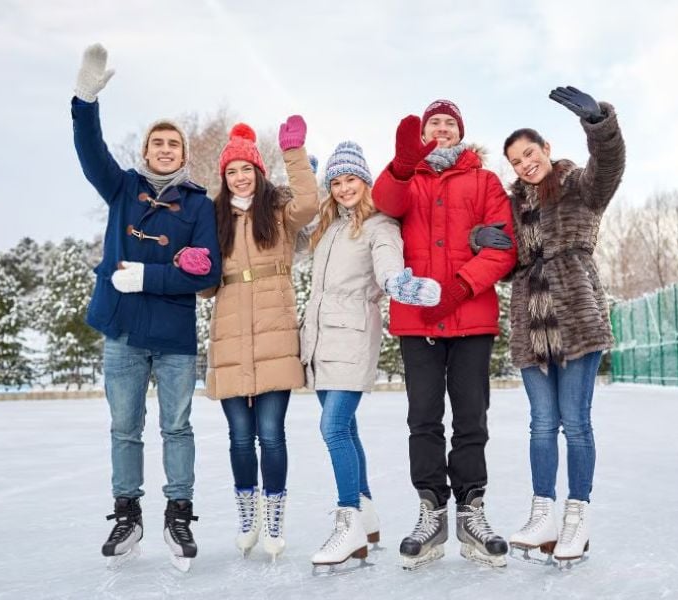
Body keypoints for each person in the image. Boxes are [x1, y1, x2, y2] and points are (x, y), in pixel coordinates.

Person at [70, 44, 222, 566]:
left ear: (183, 155)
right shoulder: (123, 190)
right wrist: (83, 102)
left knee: (177, 427)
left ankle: (179, 511)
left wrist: (150, 275)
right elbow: (91, 152)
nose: (164, 149)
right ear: (147, 151)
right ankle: (126, 513)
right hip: (124, 334)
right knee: (124, 428)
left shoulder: (199, 205)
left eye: (172, 144)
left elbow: (208, 271)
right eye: (157, 143)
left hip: (175, 336)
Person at [474, 86, 625, 566]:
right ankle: (543, 513)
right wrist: (486, 240)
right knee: (542, 424)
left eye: (529, 154)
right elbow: (503, 258)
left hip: (576, 318)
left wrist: (599, 124)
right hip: (531, 324)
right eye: (516, 161)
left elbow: (611, 167)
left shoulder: (577, 185)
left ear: (546, 150)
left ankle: (576, 519)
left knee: (575, 423)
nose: (524, 164)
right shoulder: (513, 206)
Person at [372, 99, 518, 569]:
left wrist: (458, 287)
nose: (441, 128)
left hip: (471, 316)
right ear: (423, 131)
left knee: (472, 417)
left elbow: (503, 246)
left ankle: (472, 510)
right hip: (417, 321)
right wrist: (400, 165)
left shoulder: (485, 181)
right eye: (434, 122)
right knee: (424, 418)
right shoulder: (406, 178)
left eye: (449, 123)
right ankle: (430, 512)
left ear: (460, 133)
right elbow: (384, 204)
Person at [299, 142, 441, 571]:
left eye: (351, 180)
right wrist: (301, 184)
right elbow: (289, 238)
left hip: (353, 336)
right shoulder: (328, 226)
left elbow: (387, 262)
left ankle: (349, 520)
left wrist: (400, 284)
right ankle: (367, 514)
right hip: (320, 340)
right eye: (336, 182)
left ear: (365, 181)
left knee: (333, 427)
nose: (344, 189)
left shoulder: (380, 225)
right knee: (346, 427)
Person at [198, 117, 319, 561]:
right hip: (230, 337)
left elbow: (311, 202)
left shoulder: (279, 211)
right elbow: (207, 286)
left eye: (246, 169)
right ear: (224, 177)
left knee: (271, 434)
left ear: (258, 171)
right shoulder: (213, 218)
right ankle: (246, 516)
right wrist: (195, 266)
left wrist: (295, 155)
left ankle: (273, 520)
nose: (239, 177)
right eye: (231, 171)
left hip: (274, 336)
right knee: (238, 437)